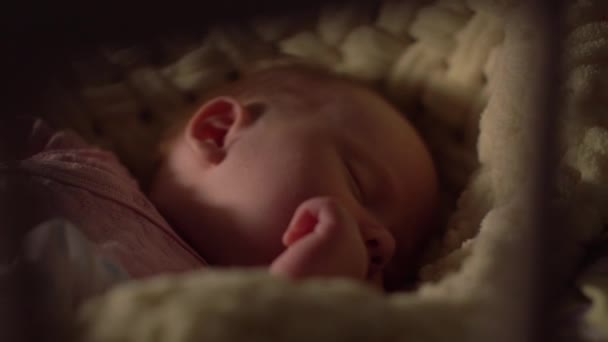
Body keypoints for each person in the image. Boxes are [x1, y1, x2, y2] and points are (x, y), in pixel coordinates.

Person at [150, 65, 438, 291]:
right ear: (217, 132)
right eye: (358, 184)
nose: (385, 244)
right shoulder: (103, 179)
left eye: (394, 268)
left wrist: (309, 298)